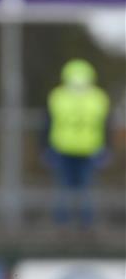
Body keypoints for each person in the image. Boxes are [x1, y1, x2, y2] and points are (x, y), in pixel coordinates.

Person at [44, 59, 110, 227]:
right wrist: (107, 148)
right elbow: (106, 125)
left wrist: (45, 148)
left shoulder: (58, 96)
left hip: (64, 147)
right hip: (88, 149)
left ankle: (63, 224)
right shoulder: (99, 97)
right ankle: (85, 224)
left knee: (64, 190)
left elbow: (47, 124)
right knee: (85, 190)